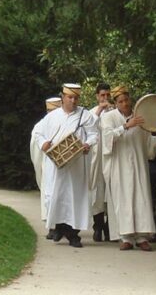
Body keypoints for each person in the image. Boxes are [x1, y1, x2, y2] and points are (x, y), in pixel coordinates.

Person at [101, 85, 156, 251]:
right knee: (123, 199)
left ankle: (142, 237)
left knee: (140, 198)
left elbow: (147, 144)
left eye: (126, 100)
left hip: (138, 165)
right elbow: (107, 139)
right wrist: (125, 126)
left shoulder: (140, 118)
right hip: (119, 166)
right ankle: (126, 237)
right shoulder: (109, 117)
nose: (124, 104)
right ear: (115, 103)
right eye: (120, 101)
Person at [33, 83, 98, 248]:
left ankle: (73, 233)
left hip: (76, 165)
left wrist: (87, 144)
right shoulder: (52, 116)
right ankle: (59, 228)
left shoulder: (85, 115)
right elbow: (37, 132)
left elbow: (94, 134)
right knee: (57, 195)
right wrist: (43, 143)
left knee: (75, 197)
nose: (73, 101)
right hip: (56, 165)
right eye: (70, 97)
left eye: (76, 98)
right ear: (63, 97)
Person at [30, 96, 61, 238]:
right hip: (47, 167)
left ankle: (61, 225)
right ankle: (52, 226)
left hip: (62, 168)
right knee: (49, 196)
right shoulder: (40, 126)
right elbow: (35, 150)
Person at [88, 82, 112, 242]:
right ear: (97, 96)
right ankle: (97, 227)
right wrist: (100, 110)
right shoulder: (91, 113)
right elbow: (88, 128)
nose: (105, 98)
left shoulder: (115, 112)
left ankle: (110, 228)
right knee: (97, 194)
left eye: (107, 95)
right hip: (96, 159)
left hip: (110, 158)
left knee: (111, 192)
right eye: (102, 95)